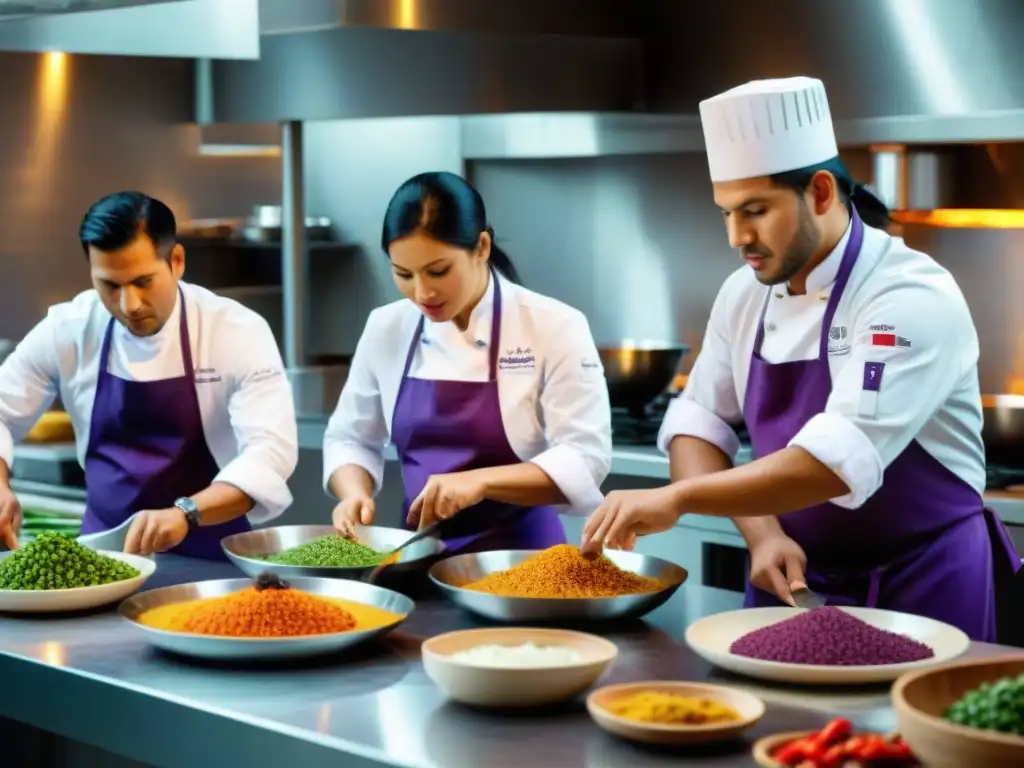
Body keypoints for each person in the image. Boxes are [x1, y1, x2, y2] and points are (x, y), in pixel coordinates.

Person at [579, 76, 1021, 642]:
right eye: (726, 213)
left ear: (819, 193)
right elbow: (696, 428)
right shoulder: (744, 294)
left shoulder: (909, 295)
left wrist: (678, 498)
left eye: (756, 210)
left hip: (921, 585)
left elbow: (830, 463)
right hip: (789, 580)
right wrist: (762, 535)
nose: (738, 237)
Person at [323, 171, 611, 553]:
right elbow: (351, 437)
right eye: (403, 274)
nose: (422, 292)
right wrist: (353, 492)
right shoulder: (386, 327)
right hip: (413, 556)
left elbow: (585, 456)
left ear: (482, 247)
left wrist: (480, 482)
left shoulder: (553, 325)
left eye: (438, 271)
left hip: (520, 563)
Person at [0, 191, 298, 559]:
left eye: (143, 281)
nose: (130, 305)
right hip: (101, 555)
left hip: (211, 555)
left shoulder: (235, 331)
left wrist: (186, 513)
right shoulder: (69, 329)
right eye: (110, 285)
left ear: (176, 261)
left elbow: (269, 453)